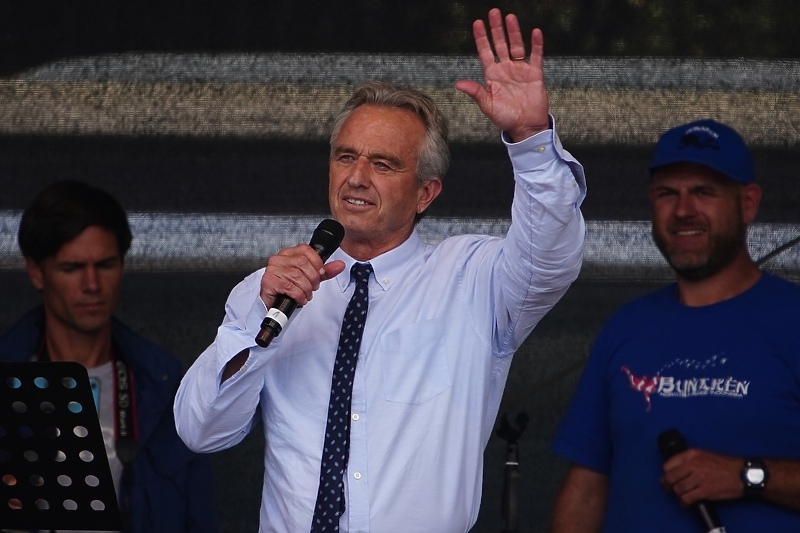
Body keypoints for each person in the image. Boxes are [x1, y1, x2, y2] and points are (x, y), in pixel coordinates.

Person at [174, 7, 586, 532]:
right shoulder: (273, 288)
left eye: (383, 164)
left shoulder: (472, 279)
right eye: (346, 157)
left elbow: (550, 253)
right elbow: (201, 432)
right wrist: (260, 325)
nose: (357, 178)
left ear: (426, 193)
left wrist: (531, 141)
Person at [549, 119, 800, 532]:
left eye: (704, 192)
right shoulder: (626, 328)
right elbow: (587, 485)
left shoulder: (791, 320)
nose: (684, 210)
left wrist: (748, 476)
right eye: (668, 193)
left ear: (749, 203)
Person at [0, 180, 219, 532]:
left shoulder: (164, 386)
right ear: (36, 273)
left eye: (105, 265)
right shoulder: (8, 377)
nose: (91, 284)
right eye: (72, 268)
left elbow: (199, 520)